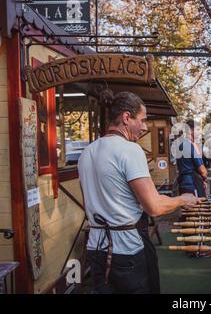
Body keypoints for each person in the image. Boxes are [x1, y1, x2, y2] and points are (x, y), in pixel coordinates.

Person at [78, 90, 199, 294]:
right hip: (126, 250)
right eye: (142, 120)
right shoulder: (130, 150)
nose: (144, 127)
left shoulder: (86, 153)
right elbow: (154, 207)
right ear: (126, 118)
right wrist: (183, 199)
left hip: (96, 249)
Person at [176, 119, 208, 197]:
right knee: (196, 208)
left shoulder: (180, 144)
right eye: (198, 129)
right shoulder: (191, 145)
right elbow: (202, 171)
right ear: (190, 130)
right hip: (192, 184)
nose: (200, 132)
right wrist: (203, 178)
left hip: (183, 183)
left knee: (187, 208)